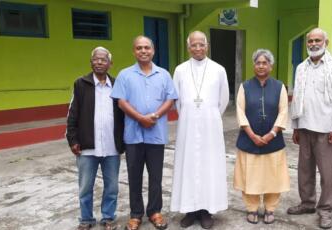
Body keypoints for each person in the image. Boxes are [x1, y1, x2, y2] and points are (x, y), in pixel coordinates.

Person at [110, 36, 178, 230]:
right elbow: (121, 102)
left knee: (155, 176)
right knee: (134, 176)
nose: (143, 51)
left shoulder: (164, 74)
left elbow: (170, 99)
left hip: (156, 135)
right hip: (133, 135)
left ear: (153, 50)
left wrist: (154, 116)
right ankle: (136, 214)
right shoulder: (124, 75)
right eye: (139, 48)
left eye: (146, 47)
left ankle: (155, 211)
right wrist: (140, 118)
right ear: (134, 51)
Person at [287, 28, 332, 229]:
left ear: (326, 42)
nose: (313, 44)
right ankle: (307, 203)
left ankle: (326, 210)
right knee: (304, 171)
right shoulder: (301, 68)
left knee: (327, 173)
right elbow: (296, 98)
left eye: (317, 40)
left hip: (325, 129)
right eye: (310, 41)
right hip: (304, 126)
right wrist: (295, 126)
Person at [170, 31, 229, 229]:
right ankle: (190, 210)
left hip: (210, 126)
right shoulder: (179, 70)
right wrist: (190, 115)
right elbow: (177, 101)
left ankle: (206, 210)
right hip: (187, 125)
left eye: (201, 45)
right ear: (188, 47)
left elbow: (223, 99)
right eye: (193, 45)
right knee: (188, 166)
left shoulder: (219, 70)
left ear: (207, 46)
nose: (197, 48)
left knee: (209, 166)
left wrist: (208, 115)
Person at [66, 46, 125, 230]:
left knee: (112, 187)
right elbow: (72, 114)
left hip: (111, 147)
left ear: (110, 63)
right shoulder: (80, 84)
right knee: (85, 187)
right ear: (91, 62)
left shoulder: (117, 85)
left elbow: (123, 115)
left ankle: (108, 217)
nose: (99, 62)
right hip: (86, 147)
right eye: (96, 59)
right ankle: (86, 220)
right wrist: (73, 139)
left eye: (103, 59)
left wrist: (123, 142)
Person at [233, 49, 290, 225]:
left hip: (273, 142)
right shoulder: (245, 86)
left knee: (272, 176)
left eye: (265, 63)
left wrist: (272, 133)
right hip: (248, 141)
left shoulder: (279, 87)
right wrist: (251, 134)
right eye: (258, 62)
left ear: (271, 66)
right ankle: (252, 208)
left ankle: (270, 209)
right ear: (253, 65)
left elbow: (283, 112)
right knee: (250, 175)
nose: (261, 66)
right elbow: (240, 111)